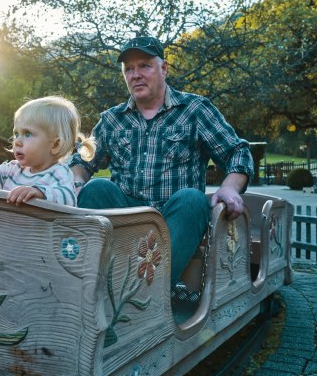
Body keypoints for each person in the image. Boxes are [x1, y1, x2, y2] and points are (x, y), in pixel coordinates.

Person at [70, 36, 254, 300]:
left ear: (164, 68)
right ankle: (94, 287)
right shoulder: (111, 119)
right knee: (96, 187)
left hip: (175, 220)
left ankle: (145, 297)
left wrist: (230, 188)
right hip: (126, 218)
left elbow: (237, 151)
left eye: (144, 66)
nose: (136, 75)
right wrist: (77, 180)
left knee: (192, 199)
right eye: (129, 69)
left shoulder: (195, 109)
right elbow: (82, 161)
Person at [0, 96, 96, 206]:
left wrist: (40, 192)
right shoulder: (13, 170)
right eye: (16, 133)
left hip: (40, 243)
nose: (17, 141)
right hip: (10, 239)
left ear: (55, 144)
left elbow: (68, 198)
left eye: (27, 134)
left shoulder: (59, 173)